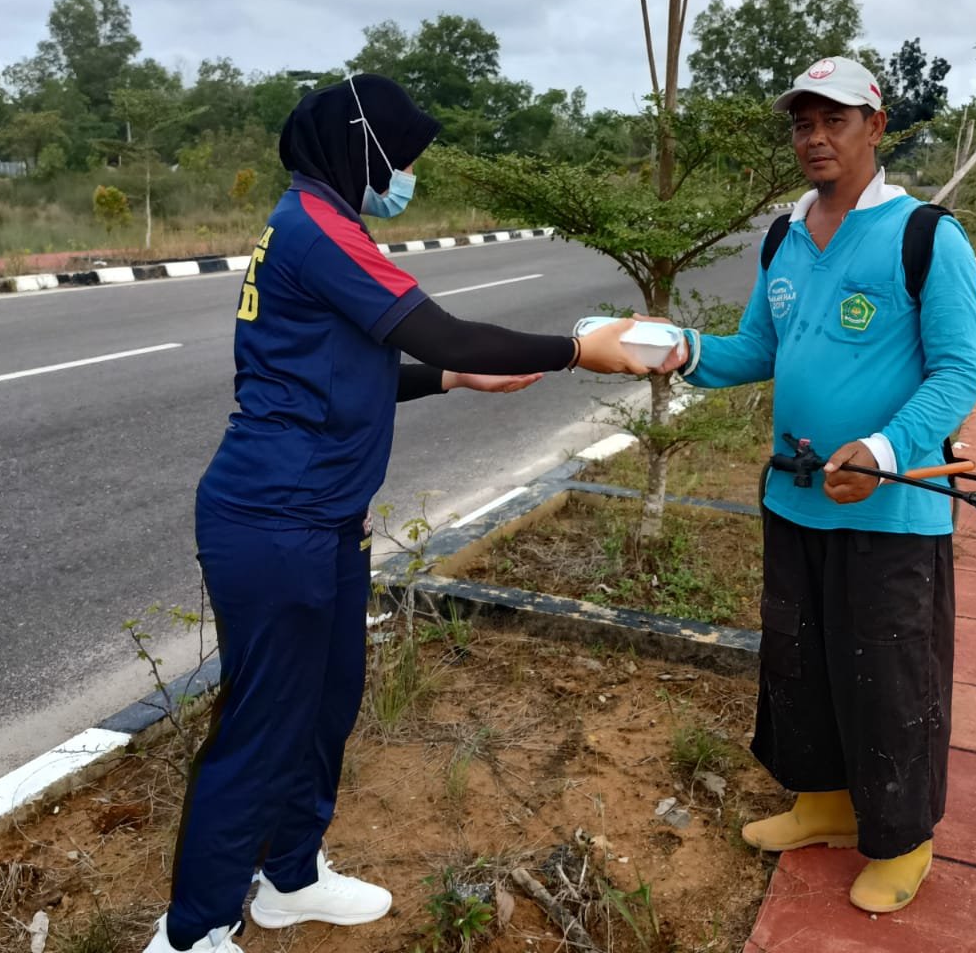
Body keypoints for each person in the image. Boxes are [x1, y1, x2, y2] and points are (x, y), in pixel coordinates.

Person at [145, 74, 672, 953]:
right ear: (364, 147)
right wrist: (580, 349)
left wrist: (453, 378)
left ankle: (290, 877)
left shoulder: (322, 223)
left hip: (324, 521)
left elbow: (359, 368)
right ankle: (191, 933)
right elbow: (446, 330)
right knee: (262, 729)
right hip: (275, 523)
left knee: (325, 707)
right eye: (405, 159)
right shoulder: (316, 227)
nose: (409, 176)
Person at [673, 56, 976, 915]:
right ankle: (822, 805)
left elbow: (962, 371)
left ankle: (902, 840)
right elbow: (756, 351)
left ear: (875, 128)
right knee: (802, 664)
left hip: (891, 507)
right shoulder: (784, 236)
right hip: (794, 496)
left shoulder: (924, 234)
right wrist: (679, 351)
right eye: (802, 123)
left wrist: (883, 451)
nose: (814, 138)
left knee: (890, 675)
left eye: (834, 120)